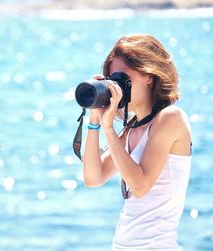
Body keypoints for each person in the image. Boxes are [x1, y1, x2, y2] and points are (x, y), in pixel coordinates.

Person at [82, 34, 192, 250]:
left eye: (124, 79)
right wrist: (95, 120)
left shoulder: (171, 118)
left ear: (149, 75)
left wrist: (108, 129)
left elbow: (140, 186)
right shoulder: (131, 128)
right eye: (114, 80)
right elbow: (93, 178)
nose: (119, 86)